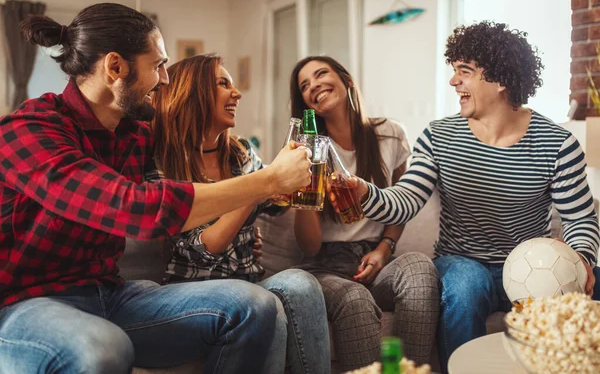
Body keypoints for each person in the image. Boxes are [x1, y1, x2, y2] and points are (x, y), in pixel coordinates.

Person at [0, 3, 312, 373]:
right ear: (115, 66)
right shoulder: (28, 130)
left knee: (254, 305)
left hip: (110, 294)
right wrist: (268, 180)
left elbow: (191, 144)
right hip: (23, 304)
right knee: (102, 348)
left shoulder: (136, 135)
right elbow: (137, 209)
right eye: (158, 66)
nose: (165, 80)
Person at [348, 21, 600, 372]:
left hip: (532, 265)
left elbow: (579, 219)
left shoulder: (556, 143)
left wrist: (581, 258)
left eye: (464, 72)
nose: (454, 82)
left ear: (501, 81)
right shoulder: (439, 136)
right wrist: (363, 192)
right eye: (454, 72)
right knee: (466, 285)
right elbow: (405, 199)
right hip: (462, 261)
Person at [149, 53, 331, 374]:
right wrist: (260, 185)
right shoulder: (163, 163)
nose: (237, 93)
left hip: (249, 282)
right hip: (193, 294)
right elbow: (203, 249)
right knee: (267, 308)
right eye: (223, 84)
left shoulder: (242, 152)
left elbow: (275, 203)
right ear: (193, 93)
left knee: (301, 283)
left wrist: (300, 178)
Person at [290, 56, 440, 372]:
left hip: (375, 255)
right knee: (354, 298)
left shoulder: (390, 134)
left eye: (320, 74)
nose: (314, 85)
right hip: (325, 266)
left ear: (345, 80)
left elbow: (403, 203)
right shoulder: (307, 150)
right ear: (305, 102)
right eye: (305, 85)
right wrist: (302, 191)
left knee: (420, 267)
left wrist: (384, 249)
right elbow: (309, 248)